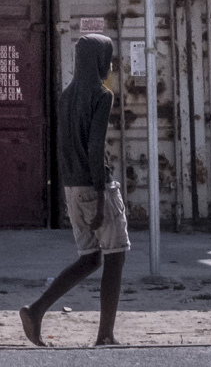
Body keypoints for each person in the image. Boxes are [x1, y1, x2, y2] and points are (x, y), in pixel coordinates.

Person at [19, 33, 129, 348]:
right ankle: (105, 335)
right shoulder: (101, 95)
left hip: (72, 188)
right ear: (98, 61)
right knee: (116, 255)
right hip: (96, 187)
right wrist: (97, 199)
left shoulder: (66, 96)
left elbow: (65, 146)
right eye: (107, 58)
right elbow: (95, 148)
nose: (109, 65)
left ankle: (36, 310)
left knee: (90, 258)